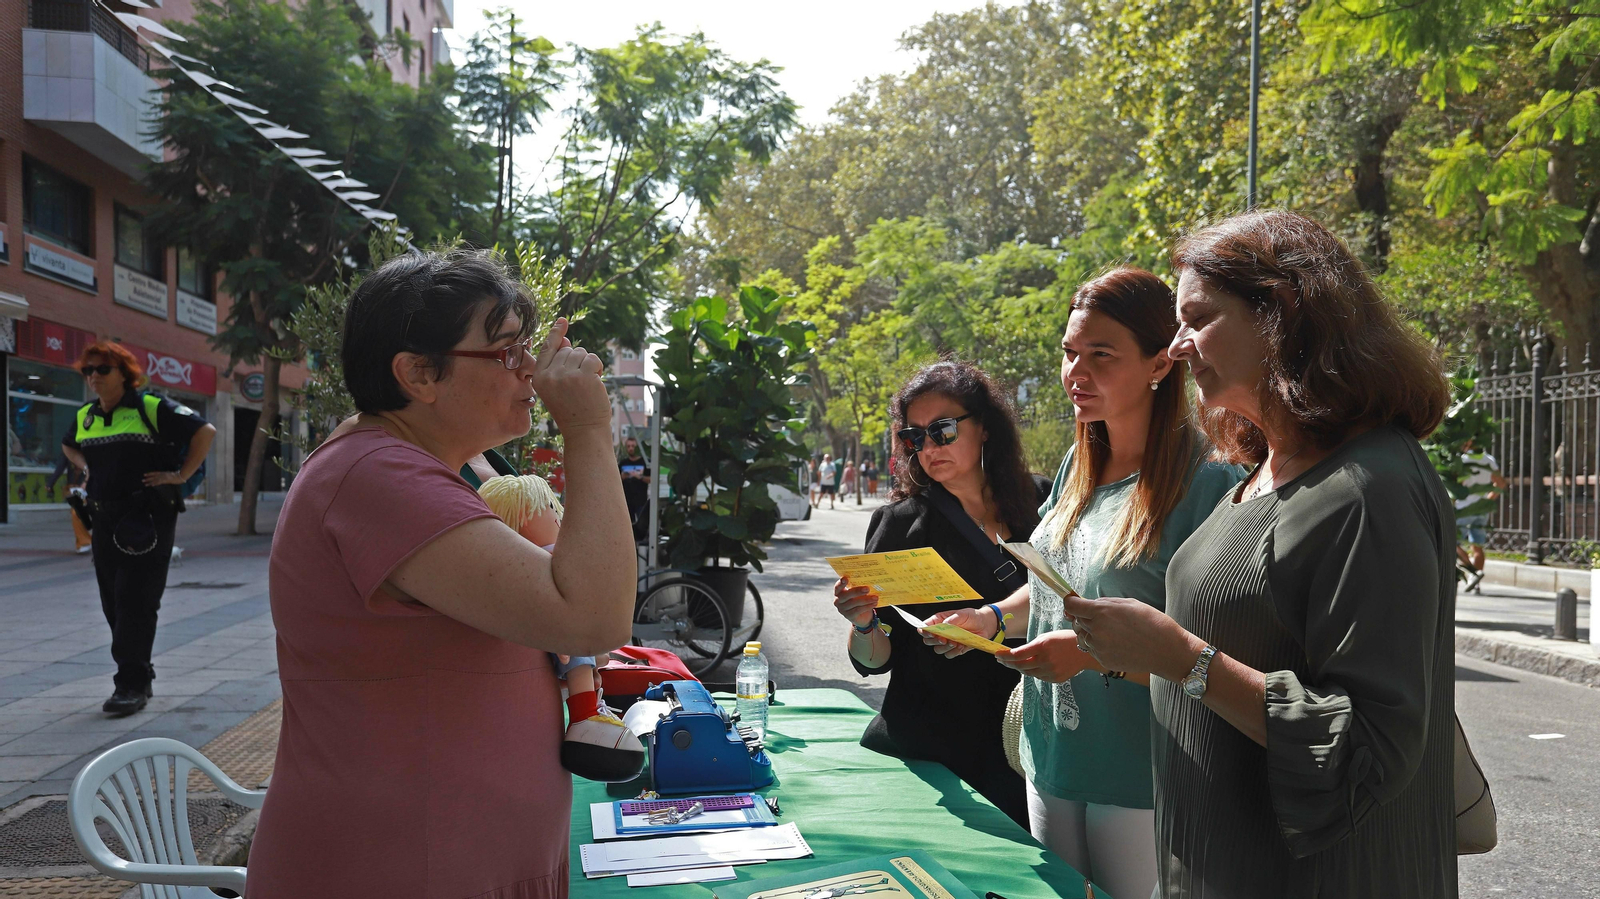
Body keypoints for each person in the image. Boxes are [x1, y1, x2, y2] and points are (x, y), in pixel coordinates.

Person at [1057, 211, 1459, 897]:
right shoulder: (1267, 466)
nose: (1179, 347)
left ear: (1282, 310)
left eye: (1198, 318)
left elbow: (1369, 745)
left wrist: (1180, 657)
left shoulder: (1369, 487)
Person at [247, 249, 635, 898]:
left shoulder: (392, 464)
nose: (531, 371)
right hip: (398, 869)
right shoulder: (379, 477)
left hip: (443, 861)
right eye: (506, 352)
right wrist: (590, 427)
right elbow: (593, 613)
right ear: (419, 373)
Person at [924, 269, 1244, 899]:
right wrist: (989, 619)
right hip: (1051, 755)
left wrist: (1090, 653)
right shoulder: (1078, 465)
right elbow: (1051, 591)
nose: (1076, 372)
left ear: (1160, 363)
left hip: (1142, 771)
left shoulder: (1208, 481)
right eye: (1070, 352)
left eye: (1101, 355)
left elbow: (1219, 649)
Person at [831, 361, 1051, 827]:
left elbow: (1068, 606)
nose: (928, 447)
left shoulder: (1045, 505)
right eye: (914, 437)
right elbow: (874, 661)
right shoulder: (898, 524)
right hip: (931, 754)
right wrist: (863, 623)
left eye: (943, 429)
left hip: (1028, 743)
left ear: (986, 428)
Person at [61, 342, 215, 716]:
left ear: (124, 374)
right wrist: (85, 468)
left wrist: (180, 475)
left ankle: (130, 685)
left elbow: (205, 431)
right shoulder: (86, 416)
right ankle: (139, 671)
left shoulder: (150, 407)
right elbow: (69, 445)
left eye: (103, 370)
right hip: (104, 519)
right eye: (88, 371)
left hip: (146, 518)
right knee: (113, 601)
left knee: (135, 600)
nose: (94, 377)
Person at [477, 473, 645, 782]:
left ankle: (589, 709)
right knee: (576, 645)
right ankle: (584, 714)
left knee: (581, 650)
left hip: (558, 641)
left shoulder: (525, 561)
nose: (557, 517)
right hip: (562, 633)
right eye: (552, 511)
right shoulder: (546, 558)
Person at [1456, 442, 1506, 592]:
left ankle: (1473, 571)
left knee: (1451, 543)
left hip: (1464, 508)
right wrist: (1487, 500)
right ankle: (1476, 584)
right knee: (1477, 546)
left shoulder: (1462, 460)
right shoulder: (1488, 459)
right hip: (1482, 509)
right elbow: (1501, 484)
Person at [618, 435, 652, 540]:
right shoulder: (623, 463)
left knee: (643, 526)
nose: (631, 448)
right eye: (628, 446)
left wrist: (640, 476)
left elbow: (651, 479)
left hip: (641, 501)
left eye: (633, 446)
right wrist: (622, 477)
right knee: (627, 527)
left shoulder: (645, 462)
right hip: (626, 501)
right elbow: (615, 480)